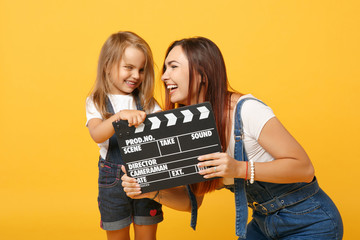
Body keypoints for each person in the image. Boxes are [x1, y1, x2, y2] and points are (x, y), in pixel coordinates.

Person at [121, 36, 344, 239]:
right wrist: (151, 191)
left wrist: (240, 169)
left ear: (202, 74)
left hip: (311, 222)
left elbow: (304, 169)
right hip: (264, 224)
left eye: (173, 67)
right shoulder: (188, 129)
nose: (163, 76)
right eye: (165, 68)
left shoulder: (246, 110)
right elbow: (193, 202)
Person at [85, 31, 163, 240]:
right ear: (108, 66)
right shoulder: (97, 101)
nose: (136, 75)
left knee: (147, 234)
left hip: (147, 174)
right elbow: (97, 134)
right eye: (128, 67)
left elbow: (163, 133)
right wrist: (119, 117)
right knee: (117, 234)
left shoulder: (148, 102)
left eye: (141, 69)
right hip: (112, 179)